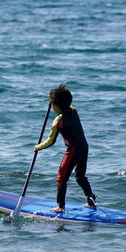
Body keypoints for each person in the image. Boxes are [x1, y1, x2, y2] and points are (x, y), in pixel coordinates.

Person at [33, 83, 97, 213]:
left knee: (61, 178)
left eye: (52, 104)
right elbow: (65, 103)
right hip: (84, 147)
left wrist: (37, 147)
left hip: (73, 150)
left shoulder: (58, 121)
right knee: (80, 177)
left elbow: (51, 141)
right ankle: (91, 202)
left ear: (55, 105)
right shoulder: (73, 110)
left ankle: (60, 207)